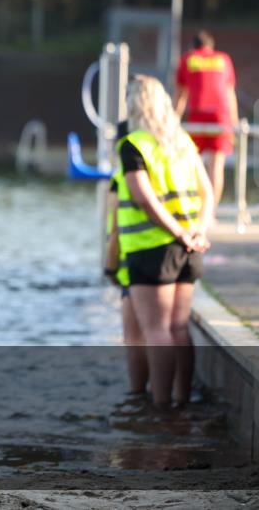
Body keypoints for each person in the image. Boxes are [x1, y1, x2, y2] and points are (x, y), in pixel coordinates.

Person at [117, 75, 214, 408]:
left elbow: (144, 199)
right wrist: (198, 231)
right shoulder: (183, 142)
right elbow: (208, 192)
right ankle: (182, 400)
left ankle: (160, 409)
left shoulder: (134, 144)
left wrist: (178, 233)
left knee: (156, 330)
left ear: (134, 105)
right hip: (189, 249)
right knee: (178, 328)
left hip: (153, 249)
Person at [105, 121, 148, 395]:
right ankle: (170, 398)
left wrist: (110, 266)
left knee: (135, 338)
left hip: (133, 263)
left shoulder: (120, 177)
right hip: (164, 253)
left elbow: (116, 229)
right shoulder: (158, 161)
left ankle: (137, 395)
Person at [174, 30, 239, 206]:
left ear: (193, 46)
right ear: (211, 46)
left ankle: (193, 207)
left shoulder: (188, 59)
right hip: (221, 117)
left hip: (197, 115)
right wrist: (234, 124)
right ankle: (210, 214)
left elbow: (181, 96)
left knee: (193, 164)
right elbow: (230, 94)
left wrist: (173, 122)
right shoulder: (223, 59)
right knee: (216, 168)